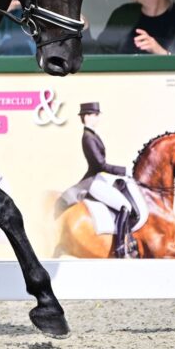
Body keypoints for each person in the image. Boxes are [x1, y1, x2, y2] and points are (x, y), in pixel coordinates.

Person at [59, 102, 139, 258]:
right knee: (125, 205)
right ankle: (120, 248)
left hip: (99, 178)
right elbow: (99, 164)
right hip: (93, 182)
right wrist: (124, 171)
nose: (98, 118)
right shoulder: (88, 138)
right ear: (87, 117)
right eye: (95, 115)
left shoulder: (93, 135)